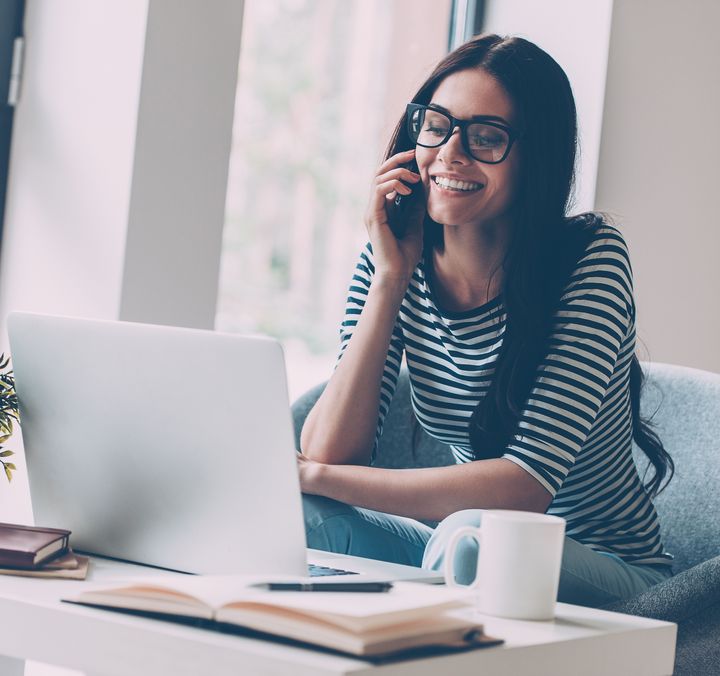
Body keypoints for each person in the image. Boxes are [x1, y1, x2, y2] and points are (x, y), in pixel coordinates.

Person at [296, 34, 674, 607]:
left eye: (486, 137)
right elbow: (329, 451)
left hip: (601, 566)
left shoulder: (588, 256)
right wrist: (390, 280)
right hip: (465, 546)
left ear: (536, 157)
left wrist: (315, 477)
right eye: (436, 126)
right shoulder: (393, 252)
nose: (450, 153)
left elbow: (522, 489)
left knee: (475, 537)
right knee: (304, 518)